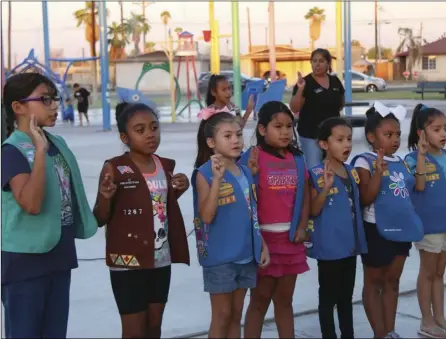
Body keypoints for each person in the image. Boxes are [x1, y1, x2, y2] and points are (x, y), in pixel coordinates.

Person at [1, 72, 98, 338]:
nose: (55, 105)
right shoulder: (11, 152)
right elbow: (31, 203)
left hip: (58, 257)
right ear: (18, 107)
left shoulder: (58, 145)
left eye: (54, 98)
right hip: (26, 264)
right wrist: (39, 151)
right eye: (44, 99)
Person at [93, 102, 190, 338]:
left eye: (154, 127)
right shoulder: (115, 167)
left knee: (154, 327)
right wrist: (105, 197)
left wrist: (180, 188)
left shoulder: (165, 165)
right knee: (134, 330)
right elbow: (99, 217)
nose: (150, 134)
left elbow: (156, 206)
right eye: (140, 130)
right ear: (125, 137)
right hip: (128, 263)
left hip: (160, 260)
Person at [350, 102, 426, 339]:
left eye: (398, 135)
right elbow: (366, 197)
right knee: (374, 281)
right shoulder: (364, 161)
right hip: (376, 230)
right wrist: (378, 173)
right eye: (388, 134)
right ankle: (379, 332)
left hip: (401, 231)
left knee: (392, 281)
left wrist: (421, 155)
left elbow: (418, 188)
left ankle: (390, 330)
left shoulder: (401, 162)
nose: (395, 140)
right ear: (371, 137)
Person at [192, 110, 270, 338]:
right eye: (227, 136)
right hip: (220, 258)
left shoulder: (245, 171)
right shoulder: (204, 173)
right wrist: (217, 180)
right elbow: (206, 216)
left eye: (238, 134)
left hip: (246, 254)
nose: (236, 140)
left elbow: (251, 212)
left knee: (236, 314)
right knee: (222, 314)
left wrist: (262, 244)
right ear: (211, 142)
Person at [238, 101, 310, 339]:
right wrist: (251, 174)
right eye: (278, 126)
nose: (285, 132)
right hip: (264, 242)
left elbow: (305, 193)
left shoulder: (297, 159)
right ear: (261, 129)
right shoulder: (252, 158)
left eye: (289, 126)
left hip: (291, 241)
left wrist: (302, 226)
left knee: (285, 301)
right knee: (259, 301)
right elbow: (245, 201)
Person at [405, 104, 446, 338]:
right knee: (427, 273)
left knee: (440, 274)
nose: (444, 134)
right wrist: (421, 155)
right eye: (437, 129)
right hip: (429, 227)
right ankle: (426, 321)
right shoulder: (412, 159)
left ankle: (440, 318)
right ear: (422, 133)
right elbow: (418, 186)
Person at [308, 117, 368, 339]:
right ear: (324, 144)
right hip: (330, 248)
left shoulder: (351, 172)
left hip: (350, 246)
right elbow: (313, 209)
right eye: (340, 139)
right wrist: (326, 187)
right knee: (328, 298)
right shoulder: (315, 174)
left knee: (346, 298)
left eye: (349, 139)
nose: (347, 145)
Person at [289, 48, 345, 170]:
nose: (317, 64)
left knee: (333, 167)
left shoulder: (335, 81)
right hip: (311, 135)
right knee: (315, 169)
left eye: (321, 61)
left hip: (332, 135)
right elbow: (294, 108)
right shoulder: (305, 82)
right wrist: (300, 89)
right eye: (314, 61)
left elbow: (341, 103)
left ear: (328, 64)